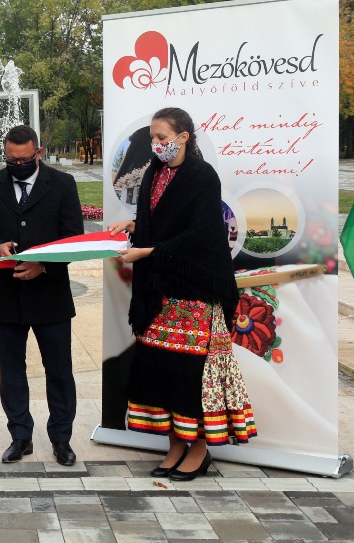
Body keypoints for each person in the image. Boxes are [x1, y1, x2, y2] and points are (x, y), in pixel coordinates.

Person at [108, 107, 256, 482]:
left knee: (193, 375)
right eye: (153, 138)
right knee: (162, 371)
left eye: (161, 137)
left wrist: (150, 251)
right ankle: (176, 444)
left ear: (184, 136)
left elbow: (199, 235)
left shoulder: (202, 176)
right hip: (160, 292)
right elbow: (166, 222)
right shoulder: (156, 173)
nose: (156, 144)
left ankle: (201, 449)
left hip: (195, 292)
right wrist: (136, 224)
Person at [0, 125, 83, 466]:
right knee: (11, 371)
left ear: (39, 153)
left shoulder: (62, 185)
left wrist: (43, 265)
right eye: (11, 159)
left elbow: (73, 238)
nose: (17, 165)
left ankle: (61, 439)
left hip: (51, 296)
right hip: (6, 297)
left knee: (59, 371)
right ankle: (20, 436)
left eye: (24, 159)